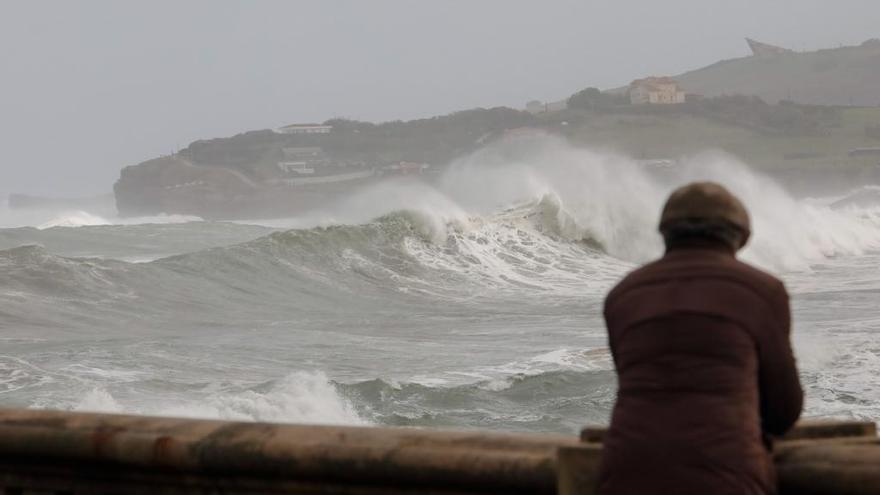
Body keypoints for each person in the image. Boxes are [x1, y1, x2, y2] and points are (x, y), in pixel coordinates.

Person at [598, 182, 803, 494]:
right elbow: (783, 411)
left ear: (665, 233)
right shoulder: (762, 291)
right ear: (738, 236)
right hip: (729, 477)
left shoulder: (623, 294)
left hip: (624, 474)